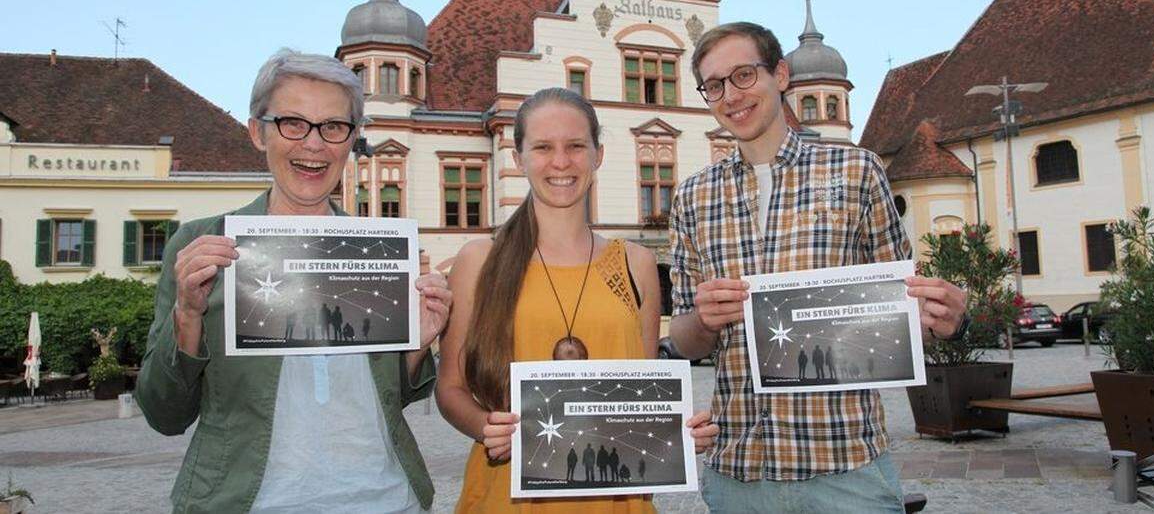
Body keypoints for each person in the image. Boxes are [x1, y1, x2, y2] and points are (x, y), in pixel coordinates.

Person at [668, 23, 969, 513]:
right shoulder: (693, 197)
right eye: (714, 85)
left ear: (780, 75)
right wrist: (702, 321)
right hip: (740, 473)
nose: (731, 96)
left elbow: (904, 315)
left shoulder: (857, 171)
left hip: (845, 465)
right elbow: (682, 338)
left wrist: (945, 321)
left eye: (744, 75)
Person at [135, 48, 452, 513]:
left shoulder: (381, 254)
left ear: (351, 140)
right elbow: (164, 414)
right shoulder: (201, 245)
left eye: (333, 127)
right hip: (247, 502)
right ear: (258, 132)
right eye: (293, 123)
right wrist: (187, 316)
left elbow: (387, 401)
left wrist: (417, 345)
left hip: (384, 500)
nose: (314, 144)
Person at [436, 87, 718, 512]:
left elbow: (636, 398)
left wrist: (674, 433)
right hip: (506, 500)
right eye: (543, 147)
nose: (561, 162)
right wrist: (484, 425)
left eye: (575, 146)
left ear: (598, 155)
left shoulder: (635, 264)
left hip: (615, 501)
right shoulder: (480, 260)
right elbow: (450, 388)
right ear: (518, 158)